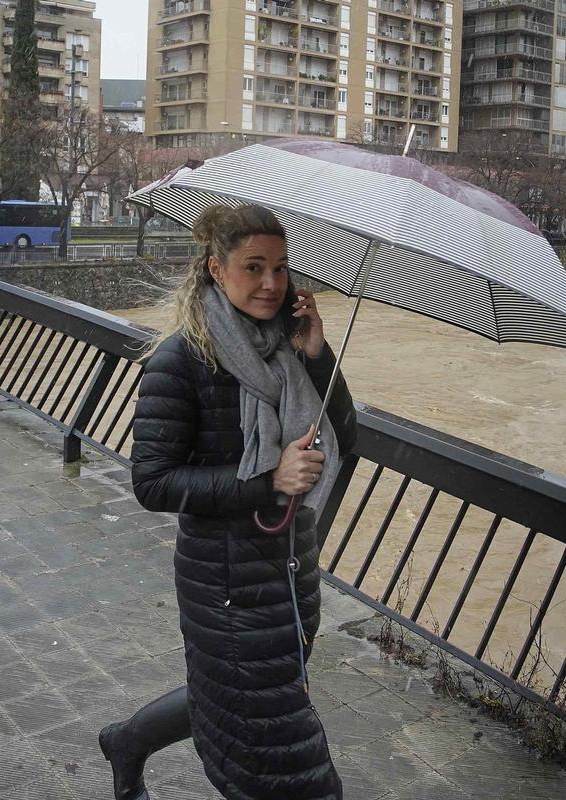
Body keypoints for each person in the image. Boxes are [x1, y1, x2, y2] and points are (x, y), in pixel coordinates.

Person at [98, 204, 357, 800]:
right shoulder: (180, 361)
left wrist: (319, 356)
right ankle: (130, 744)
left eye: (281, 268)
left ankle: (127, 742)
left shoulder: (289, 349)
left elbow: (347, 438)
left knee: (234, 695)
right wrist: (268, 482)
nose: (271, 284)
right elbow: (153, 481)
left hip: (291, 571)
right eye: (254, 267)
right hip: (224, 583)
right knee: (283, 755)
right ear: (217, 268)